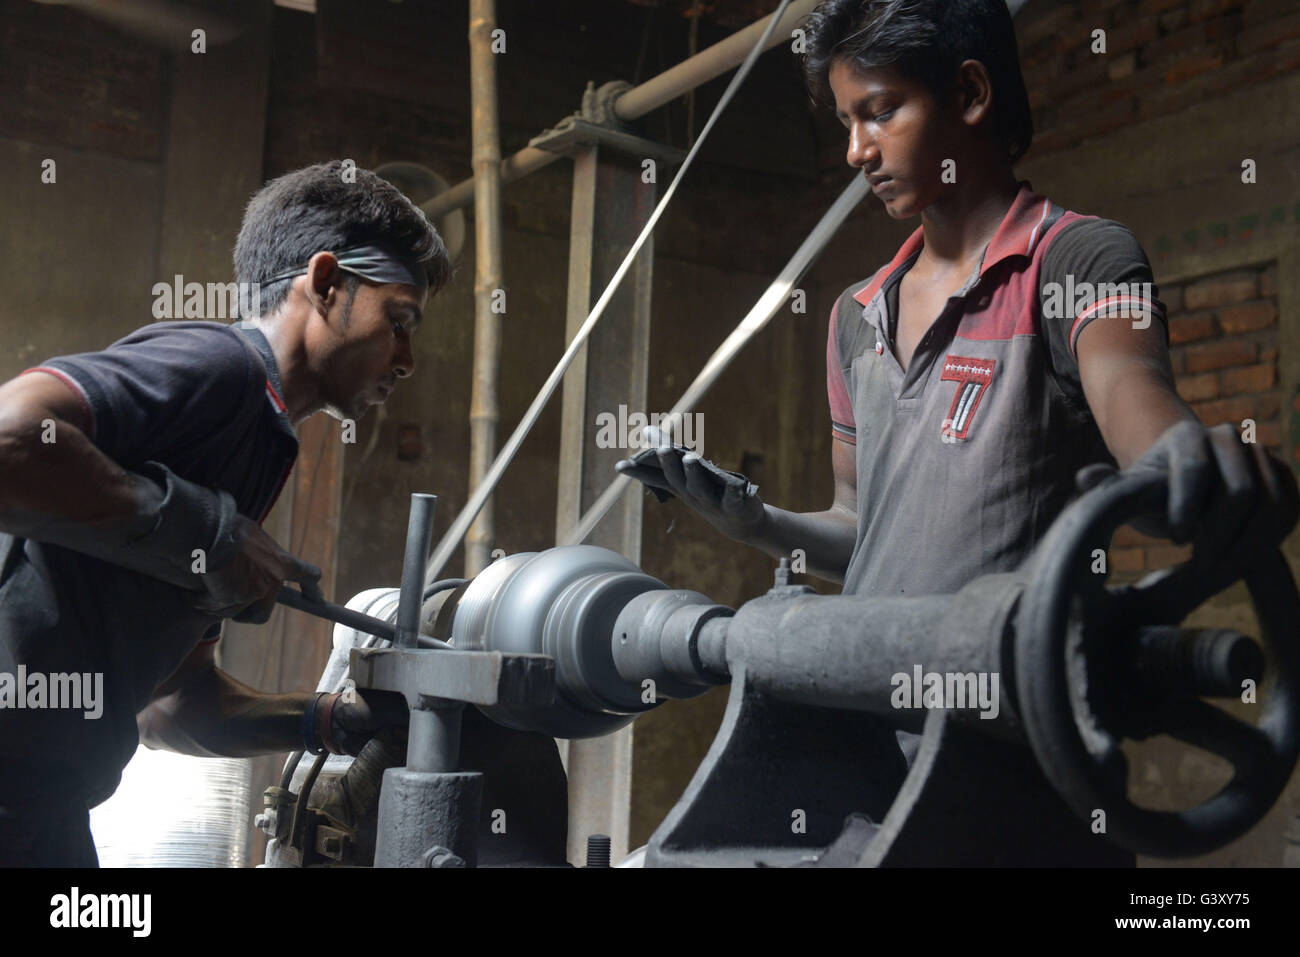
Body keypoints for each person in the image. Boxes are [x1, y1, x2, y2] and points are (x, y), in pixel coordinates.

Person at [616, 0, 1294, 859]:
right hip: (861, 745)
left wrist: (1183, 460)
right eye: (846, 122)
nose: (858, 150)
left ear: (969, 94)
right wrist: (758, 526)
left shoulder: (1078, 259)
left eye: (880, 111)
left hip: (1010, 761)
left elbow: (1134, 395)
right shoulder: (855, 315)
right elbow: (859, 529)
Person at [0, 160, 456, 866]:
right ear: (328, 282)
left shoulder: (261, 445)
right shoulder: (223, 369)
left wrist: (333, 719)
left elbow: (173, 708)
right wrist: (207, 536)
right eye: (399, 321)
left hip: (41, 811)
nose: (407, 358)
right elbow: (10, 440)